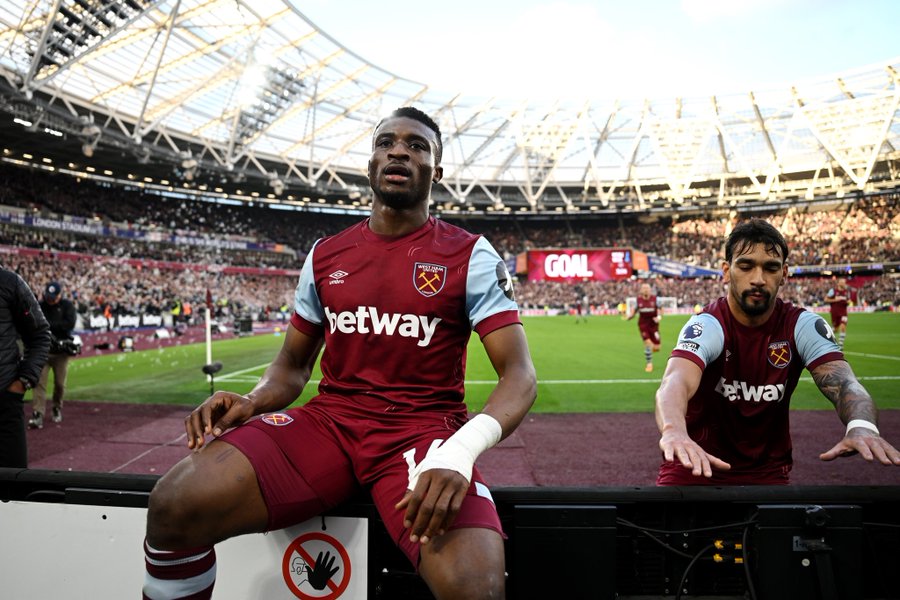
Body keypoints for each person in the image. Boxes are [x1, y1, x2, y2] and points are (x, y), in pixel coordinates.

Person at [142, 107, 538, 600]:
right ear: (370, 164)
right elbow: (291, 367)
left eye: (417, 146)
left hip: (421, 433)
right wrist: (255, 399)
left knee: (475, 585)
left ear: (436, 172)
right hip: (328, 423)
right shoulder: (325, 255)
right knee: (174, 503)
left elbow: (519, 376)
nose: (399, 150)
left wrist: (460, 450)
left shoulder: (470, 254)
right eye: (386, 142)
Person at [655, 219, 900, 485]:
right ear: (726, 271)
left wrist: (861, 426)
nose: (758, 279)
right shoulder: (708, 324)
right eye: (746, 266)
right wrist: (674, 431)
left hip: (767, 475)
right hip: (693, 467)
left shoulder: (802, 325)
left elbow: (844, 383)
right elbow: (675, 381)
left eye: (770, 268)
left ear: (784, 274)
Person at [0, 267, 50, 467]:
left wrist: (22, 382)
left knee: (13, 487)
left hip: (4, 401)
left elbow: (40, 335)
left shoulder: (9, 283)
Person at [28, 281, 78, 429]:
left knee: (60, 384)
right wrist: (52, 326)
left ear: (59, 295)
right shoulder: (40, 305)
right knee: (39, 383)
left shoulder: (67, 306)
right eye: (48, 296)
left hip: (61, 352)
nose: (50, 300)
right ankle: (38, 414)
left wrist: (48, 325)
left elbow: (69, 324)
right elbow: (34, 322)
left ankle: (57, 407)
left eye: (53, 297)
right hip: (43, 350)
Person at [626, 283, 662, 372]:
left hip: (654, 325)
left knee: (657, 348)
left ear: (650, 290)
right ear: (641, 290)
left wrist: (659, 317)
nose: (645, 289)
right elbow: (633, 312)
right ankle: (649, 364)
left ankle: (650, 349)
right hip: (643, 325)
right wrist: (630, 316)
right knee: (648, 343)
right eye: (644, 288)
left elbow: (661, 309)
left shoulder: (655, 299)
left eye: (647, 288)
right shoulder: (638, 301)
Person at [824, 278, 850, 349]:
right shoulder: (833, 291)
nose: (844, 283)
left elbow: (848, 300)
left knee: (843, 326)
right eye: (842, 282)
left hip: (843, 312)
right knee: (835, 329)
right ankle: (826, 337)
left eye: (844, 282)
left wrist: (848, 302)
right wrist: (835, 299)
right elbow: (826, 299)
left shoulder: (846, 292)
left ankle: (840, 345)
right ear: (838, 283)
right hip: (835, 312)